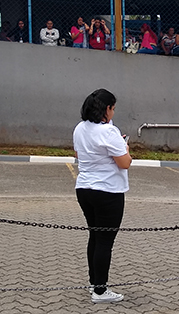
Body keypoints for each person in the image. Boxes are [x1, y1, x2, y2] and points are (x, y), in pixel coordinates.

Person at [73, 88, 131, 304]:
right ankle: (100, 290)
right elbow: (124, 162)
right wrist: (126, 148)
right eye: (113, 109)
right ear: (106, 109)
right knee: (105, 240)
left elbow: (78, 154)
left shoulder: (80, 128)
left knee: (95, 236)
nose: (114, 113)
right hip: (108, 191)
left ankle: (94, 283)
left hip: (84, 188)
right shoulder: (108, 132)